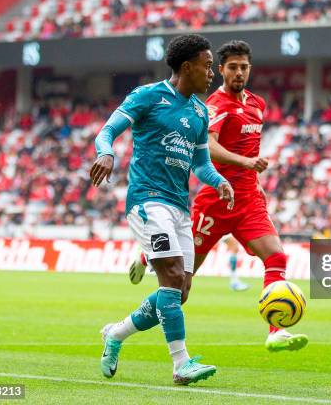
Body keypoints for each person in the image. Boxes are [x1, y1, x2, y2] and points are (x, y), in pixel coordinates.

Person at [130, 40, 309, 352]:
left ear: (249, 69)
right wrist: (245, 163)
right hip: (214, 201)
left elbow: (248, 150)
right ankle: (147, 256)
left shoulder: (257, 104)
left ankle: (275, 330)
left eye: (244, 67)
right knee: (181, 287)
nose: (239, 72)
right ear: (222, 70)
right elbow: (208, 148)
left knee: (277, 256)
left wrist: (254, 180)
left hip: (248, 201)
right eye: (232, 67)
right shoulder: (214, 105)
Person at [90, 34, 234, 384]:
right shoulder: (148, 96)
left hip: (179, 208)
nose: (212, 73)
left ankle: (116, 333)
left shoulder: (200, 112)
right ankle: (181, 364)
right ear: (187, 67)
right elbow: (107, 131)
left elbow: (200, 164)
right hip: (147, 200)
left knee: (179, 291)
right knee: (170, 276)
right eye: (207, 65)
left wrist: (218, 182)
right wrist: (106, 152)